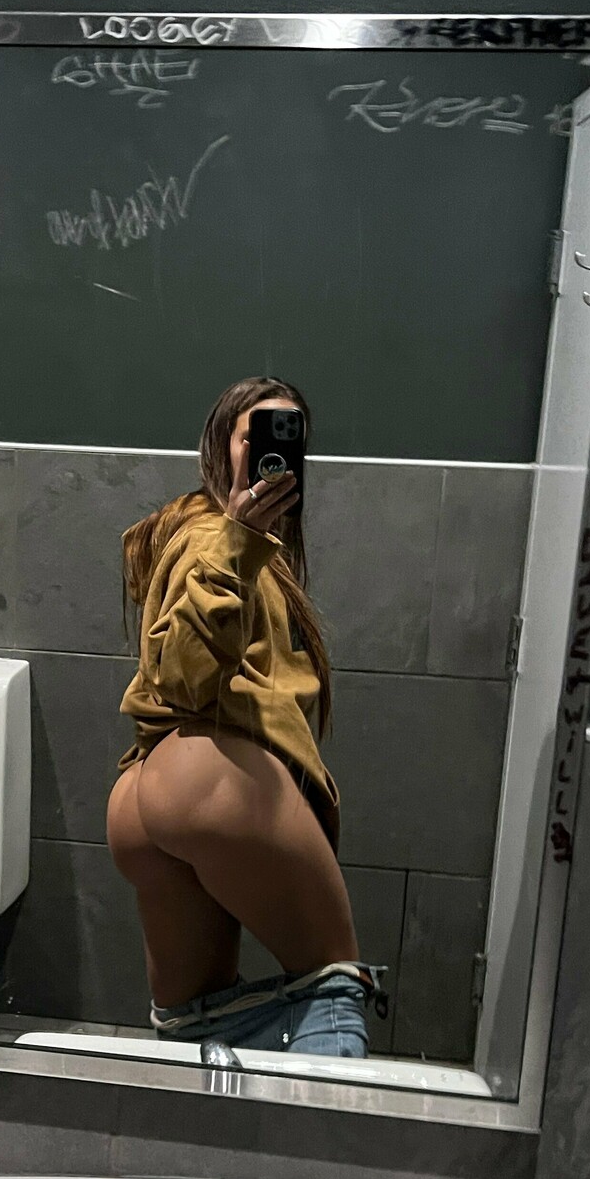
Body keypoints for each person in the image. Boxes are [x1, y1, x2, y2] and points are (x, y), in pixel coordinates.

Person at [106, 376, 382, 1060]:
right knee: (333, 982)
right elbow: (183, 675)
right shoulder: (216, 537)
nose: (275, 453)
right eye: (254, 436)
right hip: (213, 778)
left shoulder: (200, 536)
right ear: (219, 447)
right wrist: (238, 540)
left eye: (292, 440)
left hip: (150, 787)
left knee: (196, 1022)